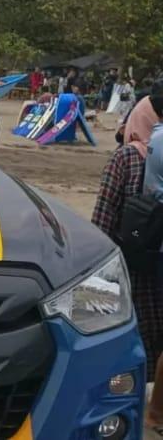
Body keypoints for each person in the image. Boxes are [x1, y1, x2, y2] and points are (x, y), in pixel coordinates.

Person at [92, 94, 163, 405]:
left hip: (129, 267)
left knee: (125, 336)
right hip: (157, 266)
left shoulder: (126, 158)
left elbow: (102, 219)